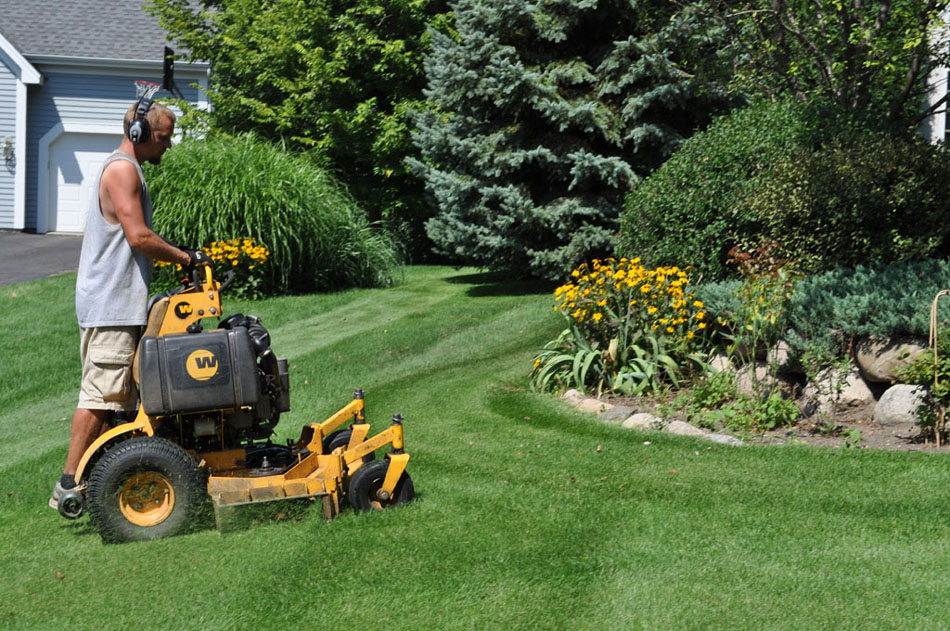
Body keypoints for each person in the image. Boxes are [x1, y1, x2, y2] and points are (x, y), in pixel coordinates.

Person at [49, 98, 210, 509]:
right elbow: (138, 237)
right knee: (101, 397)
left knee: (122, 400)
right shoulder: (122, 170)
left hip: (118, 304)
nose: (168, 145)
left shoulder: (128, 168)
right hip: (110, 305)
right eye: (165, 137)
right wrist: (186, 258)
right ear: (140, 133)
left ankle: (112, 479)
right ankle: (68, 485)